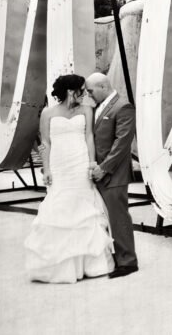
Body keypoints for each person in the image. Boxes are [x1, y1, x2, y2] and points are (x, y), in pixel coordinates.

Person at [24, 74, 114, 283]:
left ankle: (89, 265)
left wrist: (91, 163)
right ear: (69, 91)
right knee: (59, 205)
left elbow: (89, 136)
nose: (84, 94)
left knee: (83, 208)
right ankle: (59, 266)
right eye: (81, 90)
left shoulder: (86, 110)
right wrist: (46, 168)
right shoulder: (48, 113)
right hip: (59, 164)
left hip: (80, 162)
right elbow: (44, 141)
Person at [85, 72, 139, 278]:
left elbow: (122, 144)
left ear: (103, 86)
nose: (89, 95)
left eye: (91, 91)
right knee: (107, 217)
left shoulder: (123, 107)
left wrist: (104, 168)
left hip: (114, 174)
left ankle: (128, 262)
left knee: (118, 217)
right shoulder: (98, 107)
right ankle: (116, 258)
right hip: (101, 173)